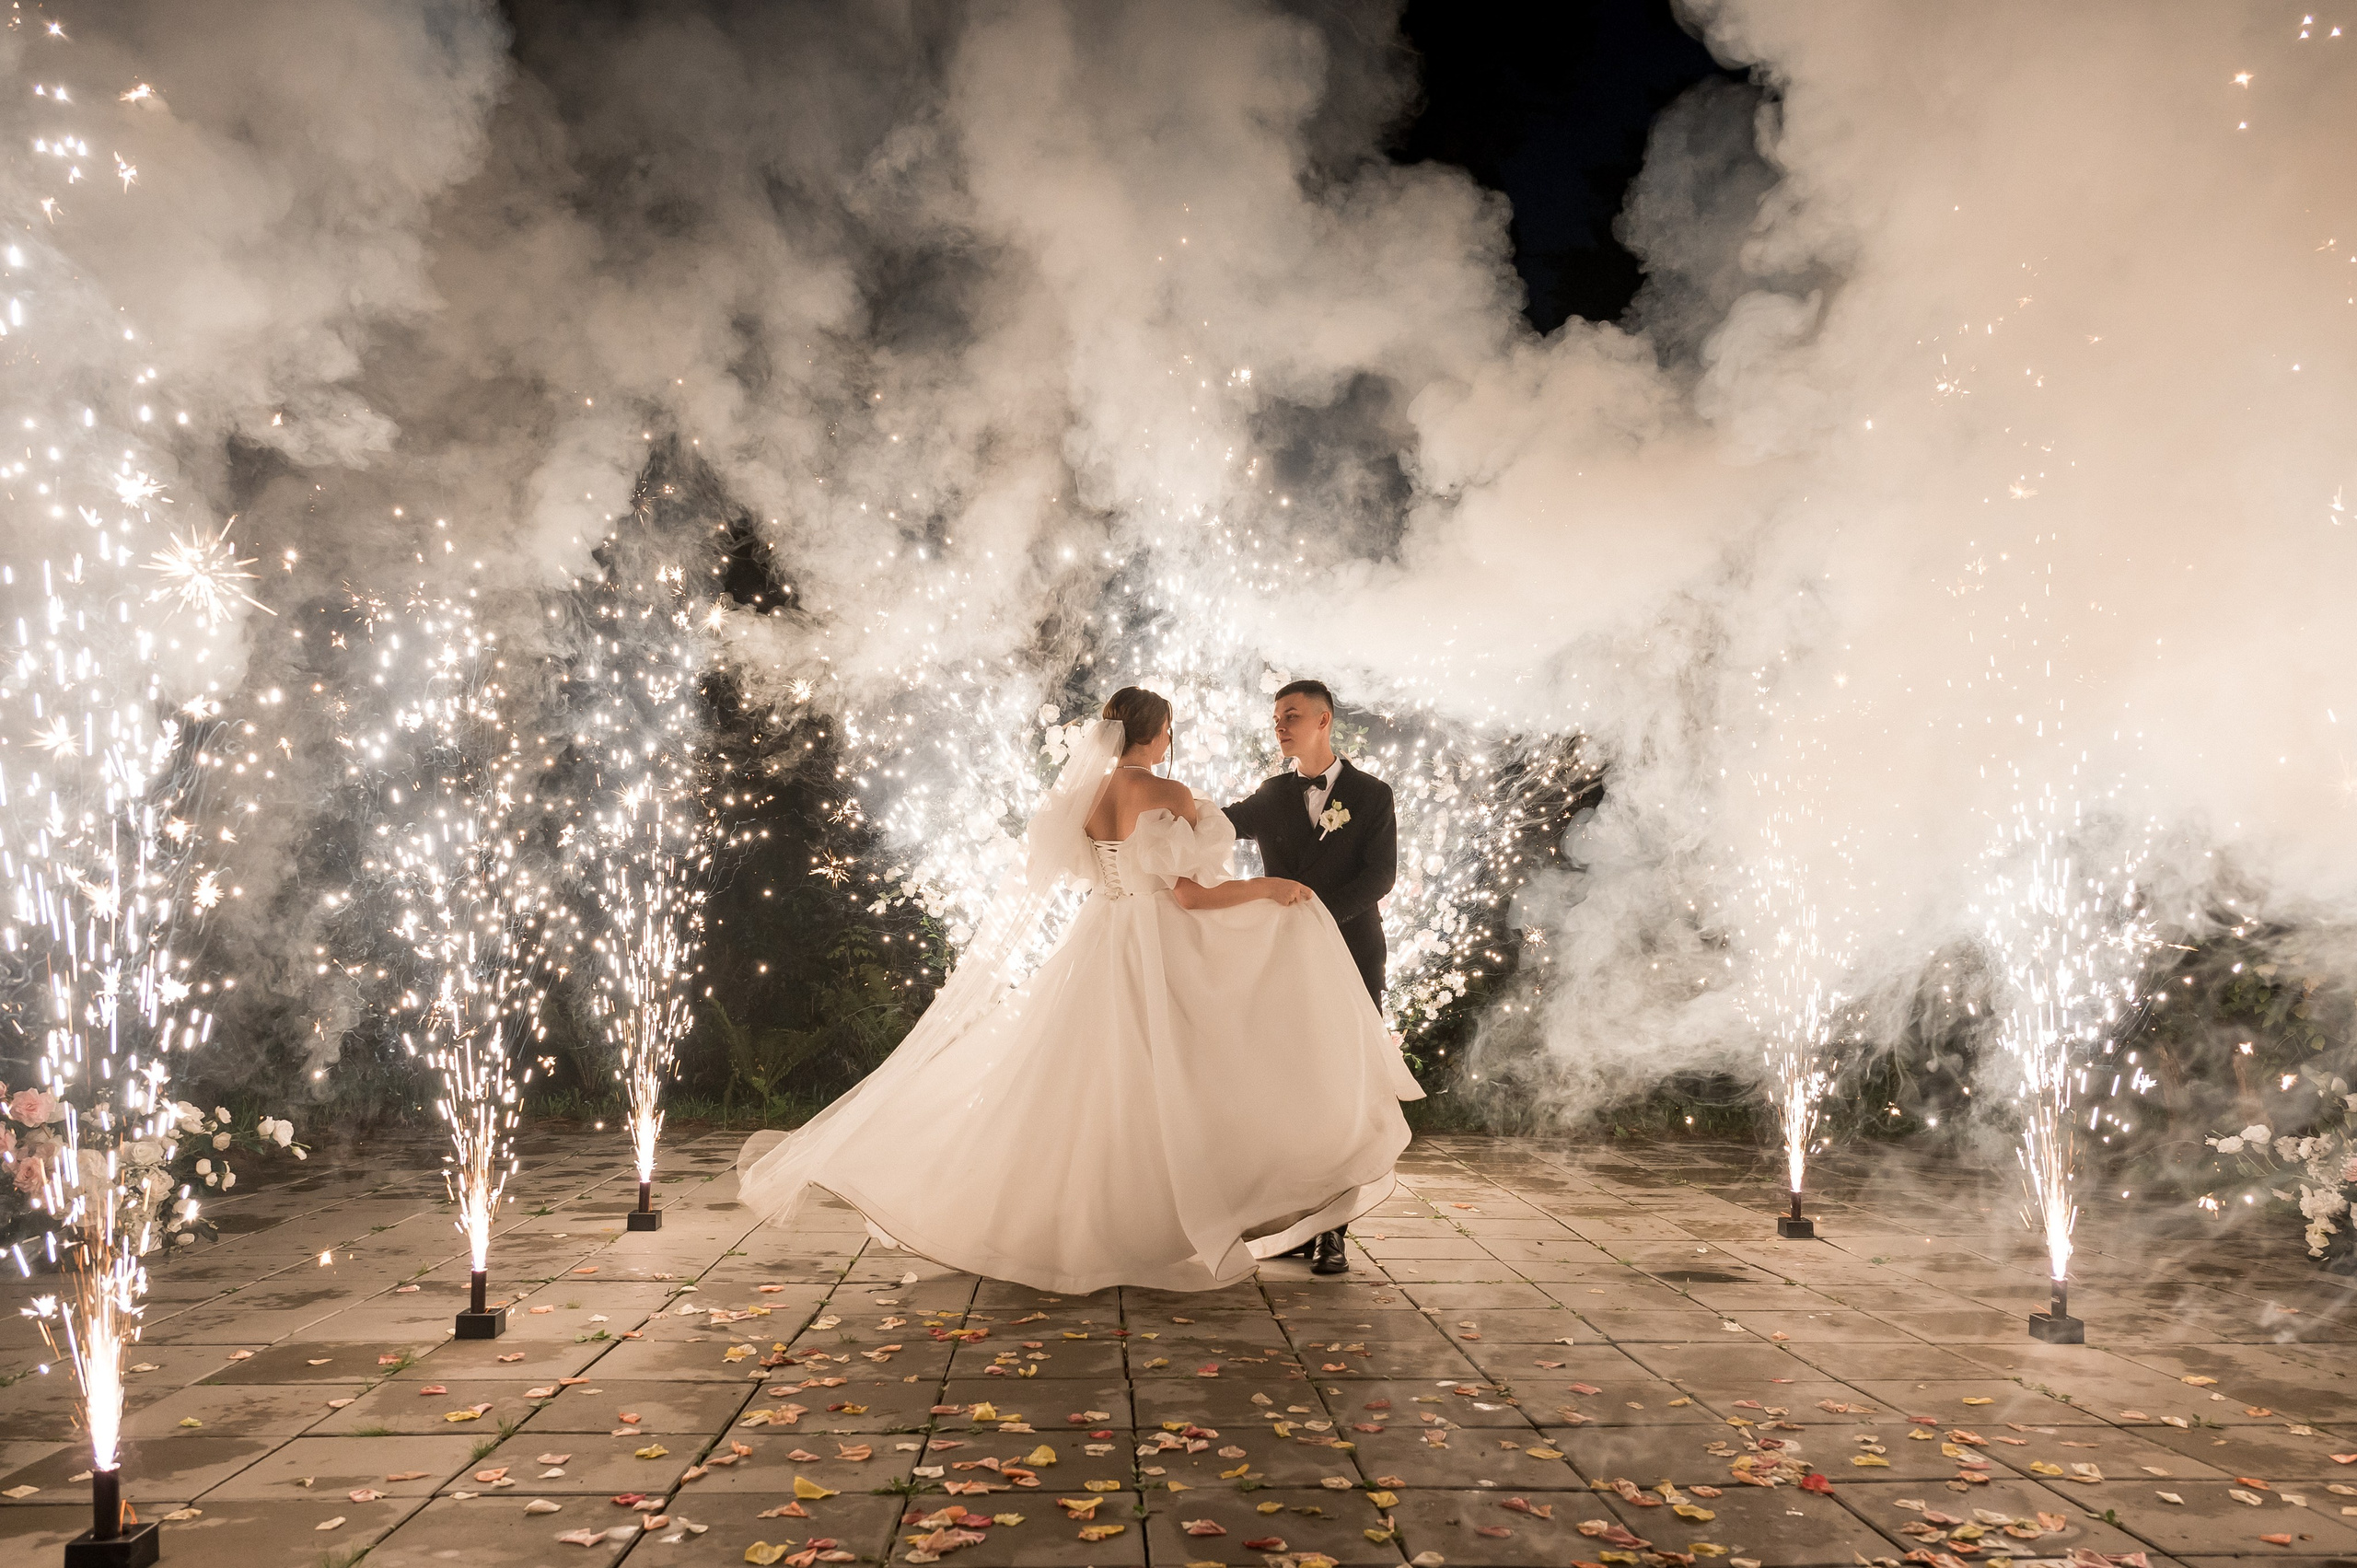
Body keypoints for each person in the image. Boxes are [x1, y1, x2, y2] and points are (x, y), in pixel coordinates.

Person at [735, 686, 1422, 1295]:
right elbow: (1188, 894)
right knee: (1185, 1073)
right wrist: (1268, 888)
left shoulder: (1085, 797)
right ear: (1156, 733)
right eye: (1170, 729)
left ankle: (1067, 1216)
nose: (1172, 739)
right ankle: (1181, 1213)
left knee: (1089, 1081)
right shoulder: (1170, 794)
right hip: (1157, 945)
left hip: (1103, 938)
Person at [1223, 679, 1396, 1274]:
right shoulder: (1271, 794)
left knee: (1345, 1092)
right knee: (1293, 1089)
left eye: (1291, 715)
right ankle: (1297, 1221)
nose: (1280, 726)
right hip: (1284, 963)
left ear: (1324, 720)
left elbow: (1380, 876)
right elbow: (1218, 824)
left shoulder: (1372, 795)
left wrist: (1318, 917)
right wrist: (1147, 800)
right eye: (1276, 717)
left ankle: (1333, 1232)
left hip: (1351, 953)